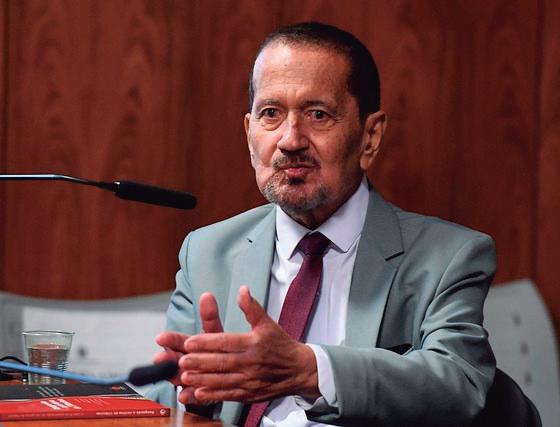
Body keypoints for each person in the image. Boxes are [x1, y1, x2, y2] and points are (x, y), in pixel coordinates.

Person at [148, 22, 496, 427]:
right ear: (249, 135)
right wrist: (194, 400)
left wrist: (310, 370)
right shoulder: (207, 252)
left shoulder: (448, 257)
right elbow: (164, 403)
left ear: (370, 137)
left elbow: (460, 384)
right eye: (271, 114)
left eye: (317, 114)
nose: (290, 140)